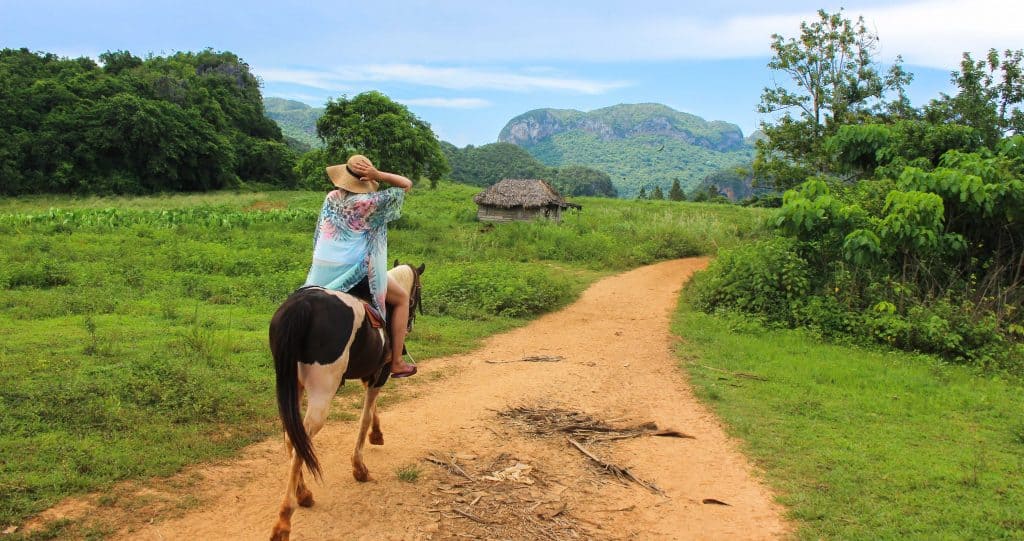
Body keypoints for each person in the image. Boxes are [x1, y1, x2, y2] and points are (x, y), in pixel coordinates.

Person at [303, 154, 417, 377]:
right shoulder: (369, 202)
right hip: (353, 269)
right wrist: (378, 175)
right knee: (403, 298)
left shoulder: (331, 197)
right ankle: (396, 362)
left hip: (322, 268)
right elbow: (406, 184)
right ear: (366, 179)